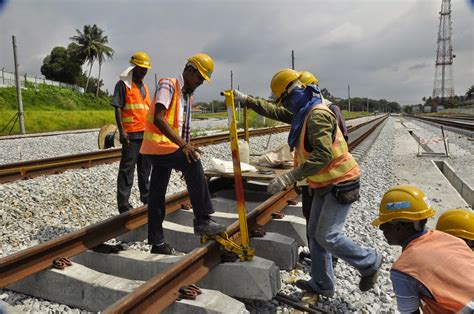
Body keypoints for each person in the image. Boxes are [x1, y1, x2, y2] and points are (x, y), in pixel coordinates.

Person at [234, 68, 382, 297]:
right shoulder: (303, 112)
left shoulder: (316, 115)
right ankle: (323, 283)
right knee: (314, 233)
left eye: (284, 101)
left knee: (328, 235)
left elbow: (322, 155)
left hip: (341, 182)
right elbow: (274, 111)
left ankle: (369, 262)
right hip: (323, 183)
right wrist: (246, 100)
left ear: (292, 95)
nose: (283, 106)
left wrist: (290, 176)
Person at [140, 53, 226, 255]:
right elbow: (158, 118)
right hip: (159, 146)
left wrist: (183, 148)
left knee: (156, 194)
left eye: (204, 80)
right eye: (199, 77)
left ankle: (157, 243)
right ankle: (203, 219)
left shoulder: (187, 96)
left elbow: (182, 129)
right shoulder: (168, 85)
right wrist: (183, 148)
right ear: (189, 70)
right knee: (194, 162)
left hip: (164, 148)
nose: (201, 83)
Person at [372, 185, 474, 313]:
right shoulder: (451, 239)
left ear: (400, 226)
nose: (381, 229)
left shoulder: (404, 269)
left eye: (384, 224)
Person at [296, 71, 349, 265]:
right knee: (310, 219)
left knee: (321, 225)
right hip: (311, 177)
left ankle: (328, 259)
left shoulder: (326, 109)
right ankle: (319, 257)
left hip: (324, 178)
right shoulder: (304, 111)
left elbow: (337, 142)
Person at [111, 51, 152, 213]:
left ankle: (147, 197)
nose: (143, 71)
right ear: (133, 67)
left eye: (145, 69)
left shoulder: (145, 87)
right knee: (127, 170)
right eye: (141, 68)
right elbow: (118, 108)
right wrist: (122, 131)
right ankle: (123, 204)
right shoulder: (123, 85)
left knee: (145, 169)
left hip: (145, 135)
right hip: (131, 135)